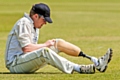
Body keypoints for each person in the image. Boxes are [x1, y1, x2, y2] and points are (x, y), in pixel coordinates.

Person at [5, 3, 112, 74]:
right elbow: (26, 48)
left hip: (26, 60)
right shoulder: (24, 23)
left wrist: (50, 44)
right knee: (45, 51)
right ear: (36, 16)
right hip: (15, 64)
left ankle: (96, 62)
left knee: (57, 42)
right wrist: (45, 44)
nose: (45, 23)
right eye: (44, 19)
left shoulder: (34, 25)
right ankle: (79, 68)